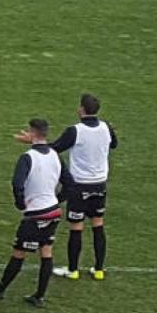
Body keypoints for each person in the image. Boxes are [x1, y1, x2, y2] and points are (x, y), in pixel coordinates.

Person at [0, 118, 71, 307]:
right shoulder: (55, 154)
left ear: (32, 132)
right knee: (46, 251)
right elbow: (69, 182)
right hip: (53, 212)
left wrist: (21, 203)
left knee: (19, 251)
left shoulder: (27, 157)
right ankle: (39, 296)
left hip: (36, 213)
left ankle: (0, 289)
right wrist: (57, 199)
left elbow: (17, 184)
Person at [42, 93, 117, 281]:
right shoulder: (106, 127)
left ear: (81, 109)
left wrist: (35, 142)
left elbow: (55, 148)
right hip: (100, 183)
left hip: (80, 185)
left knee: (76, 227)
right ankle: (99, 269)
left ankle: (73, 269)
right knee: (98, 224)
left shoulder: (75, 130)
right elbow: (114, 144)